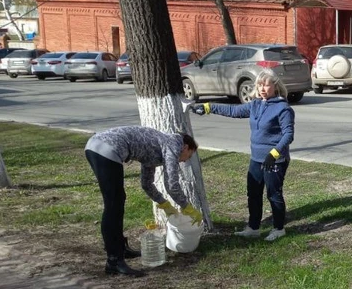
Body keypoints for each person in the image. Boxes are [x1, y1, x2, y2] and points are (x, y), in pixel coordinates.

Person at [188, 68, 294, 241]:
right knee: (253, 193)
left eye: (266, 85)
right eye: (260, 85)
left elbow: (288, 135)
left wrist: (273, 154)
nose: (262, 89)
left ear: (275, 86)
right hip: (256, 158)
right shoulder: (255, 104)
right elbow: (233, 111)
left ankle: (279, 228)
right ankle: (253, 227)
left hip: (274, 159)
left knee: (273, 194)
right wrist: (208, 107)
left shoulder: (283, 108)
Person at [85, 126, 202, 276]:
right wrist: (186, 206)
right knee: (113, 205)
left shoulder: (157, 146)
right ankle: (114, 261)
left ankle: (120, 249)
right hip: (106, 148)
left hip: (97, 146)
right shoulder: (174, 144)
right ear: (186, 147)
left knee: (117, 200)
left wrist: (164, 204)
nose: (185, 161)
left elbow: (146, 183)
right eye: (189, 155)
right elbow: (172, 184)